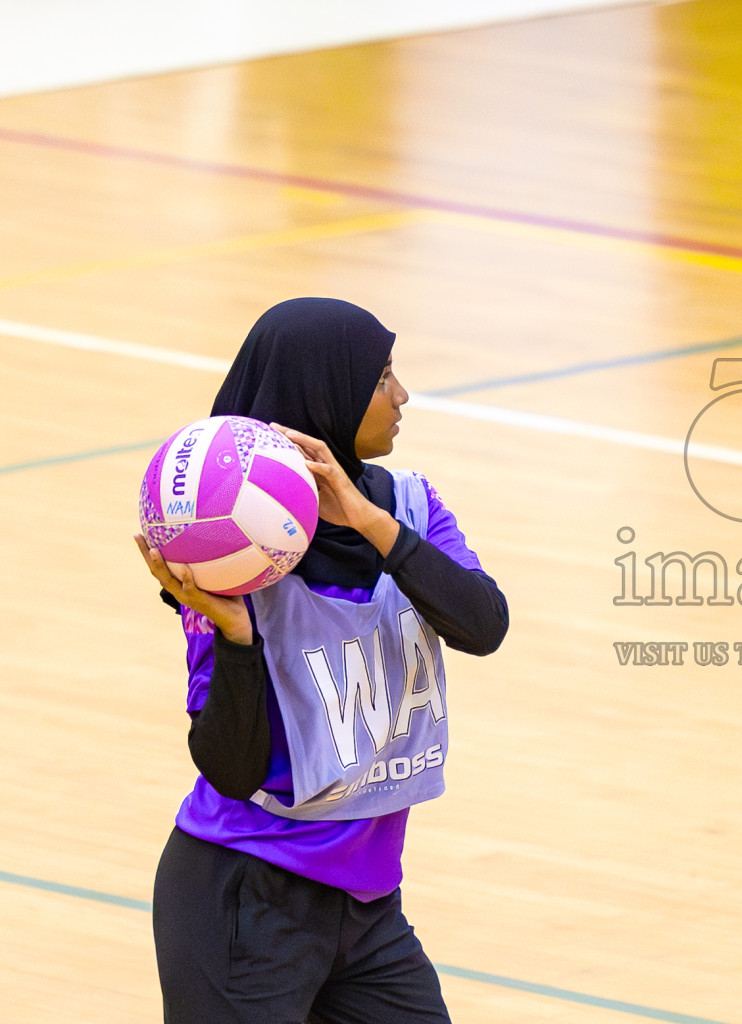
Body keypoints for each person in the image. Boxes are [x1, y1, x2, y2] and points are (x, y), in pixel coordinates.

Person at [134, 297, 509, 1023]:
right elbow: (232, 769)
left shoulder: (410, 504)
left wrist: (372, 524)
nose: (401, 396)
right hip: (244, 900)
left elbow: (483, 624)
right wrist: (238, 642)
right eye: (381, 379)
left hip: (367, 909)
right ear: (323, 395)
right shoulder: (230, 552)